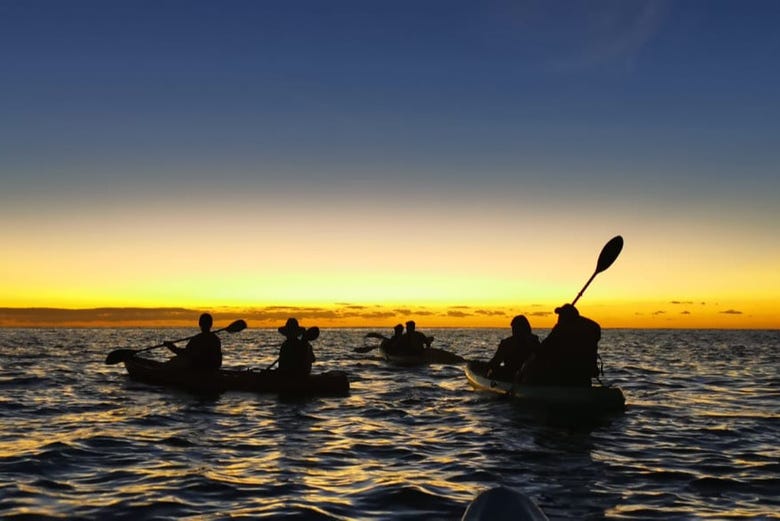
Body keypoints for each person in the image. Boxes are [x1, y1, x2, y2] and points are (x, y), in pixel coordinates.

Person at [520, 304, 600, 387]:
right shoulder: (589, 329)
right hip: (584, 377)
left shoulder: (561, 330)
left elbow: (543, 350)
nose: (559, 318)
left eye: (561, 315)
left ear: (565, 317)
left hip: (563, 376)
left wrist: (533, 344)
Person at [487, 315, 540, 380]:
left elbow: (495, 362)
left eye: (514, 328)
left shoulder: (507, 343)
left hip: (512, 376)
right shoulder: (535, 341)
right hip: (531, 377)